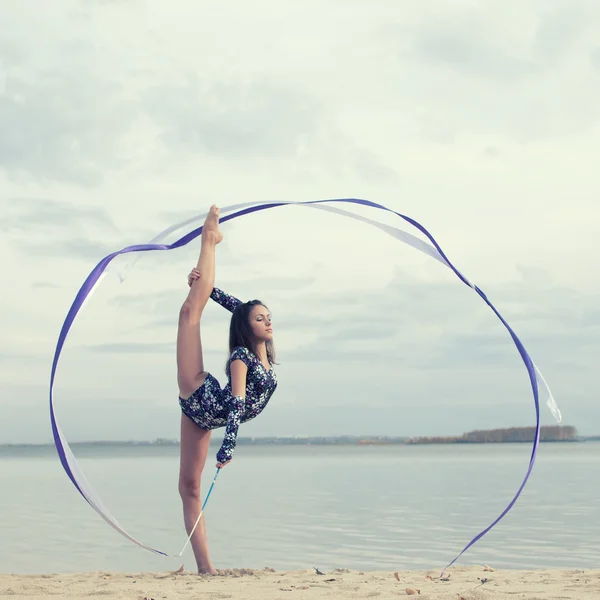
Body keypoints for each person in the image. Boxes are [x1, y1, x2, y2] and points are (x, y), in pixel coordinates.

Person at [176, 205, 278, 574]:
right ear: (248, 327)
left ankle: (206, 570)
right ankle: (209, 240)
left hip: (206, 418)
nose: (267, 322)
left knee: (189, 487)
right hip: (199, 396)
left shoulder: (263, 348)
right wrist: (229, 445)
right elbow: (235, 404)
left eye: (269, 317)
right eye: (260, 318)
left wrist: (209, 288)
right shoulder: (241, 356)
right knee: (191, 312)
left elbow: (240, 308)